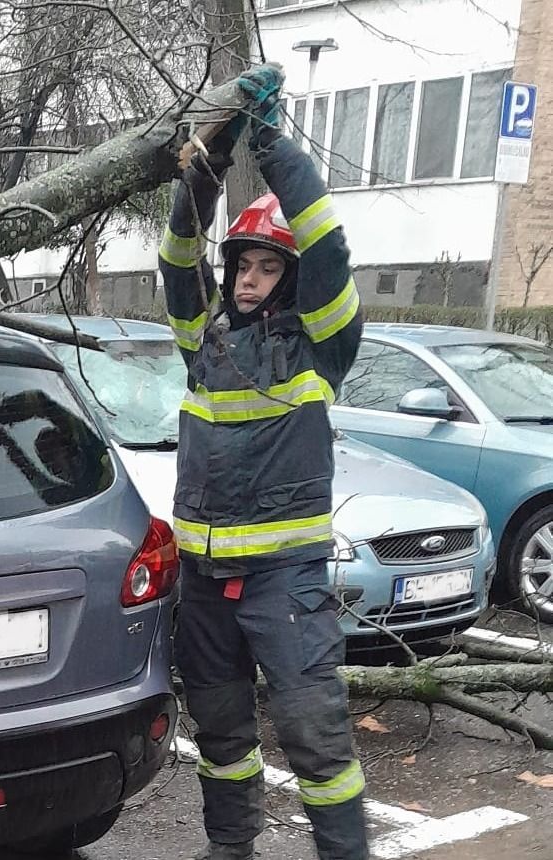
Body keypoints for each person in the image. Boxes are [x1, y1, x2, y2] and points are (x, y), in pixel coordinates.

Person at [159, 66, 366, 860]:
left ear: (292, 279)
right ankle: (230, 849)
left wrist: (271, 143)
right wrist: (207, 162)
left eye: (267, 267)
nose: (248, 279)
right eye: (243, 265)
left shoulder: (320, 345)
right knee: (221, 736)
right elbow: (178, 257)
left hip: (285, 582)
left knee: (315, 738)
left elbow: (327, 241)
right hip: (206, 585)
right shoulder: (203, 344)